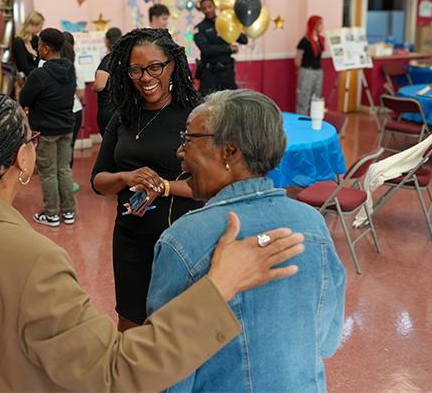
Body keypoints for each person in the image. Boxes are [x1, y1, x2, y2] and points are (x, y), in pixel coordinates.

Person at [0, 91, 306, 393]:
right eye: (32, 139)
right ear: (23, 158)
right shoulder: (32, 260)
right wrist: (219, 287)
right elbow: (114, 371)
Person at [148, 89, 346, 393]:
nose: (180, 152)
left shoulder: (183, 242)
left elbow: (166, 374)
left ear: (229, 152)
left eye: (188, 139)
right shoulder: (313, 225)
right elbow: (327, 340)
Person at [90, 27, 203, 330]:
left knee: (178, 326)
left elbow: (208, 186)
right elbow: (98, 181)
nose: (145, 77)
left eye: (155, 67)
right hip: (131, 238)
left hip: (182, 240)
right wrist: (126, 177)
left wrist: (163, 187)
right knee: (130, 321)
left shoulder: (196, 115)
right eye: (136, 70)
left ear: (172, 65)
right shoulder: (124, 116)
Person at [19, 28, 77, 227]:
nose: (37, 49)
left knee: (49, 172)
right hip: (66, 128)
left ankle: (51, 214)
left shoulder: (39, 75)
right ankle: (68, 212)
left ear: (45, 49)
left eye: (38, 46)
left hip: (46, 131)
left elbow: (24, 99)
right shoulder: (70, 69)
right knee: (64, 170)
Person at [194, 0, 248, 95]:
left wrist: (236, 23)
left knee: (230, 101)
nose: (208, 10)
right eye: (204, 8)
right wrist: (228, 48)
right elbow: (206, 49)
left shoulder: (226, 23)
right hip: (209, 74)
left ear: (215, 6)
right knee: (207, 103)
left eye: (210, 7)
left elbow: (244, 40)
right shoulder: (199, 28)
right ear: (201, 10)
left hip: (227, 72)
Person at [63, 31, 83, 191]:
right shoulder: (75, 67)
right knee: (69, 147)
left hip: (54, 114)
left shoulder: (45, 66)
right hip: (75, 111)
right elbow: (81, 94)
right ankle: (68, 181)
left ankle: (60, 182)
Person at [93, 27, 122, 134]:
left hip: (109, 108)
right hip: (122, 107)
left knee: (109, 141)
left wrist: (94, 87)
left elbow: (99, 85)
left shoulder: (108, 60)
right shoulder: (125, 58)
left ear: (107, 41)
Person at [295, 15, 325, 115]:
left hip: (318, 71)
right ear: (314, 25)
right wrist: (302, 72)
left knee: (316, 98)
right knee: (304, 97)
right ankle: (301, 118)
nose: (322, 26)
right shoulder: (305, 41)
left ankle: (315, 118)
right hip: (307, 71)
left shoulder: (321, 40)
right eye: (320, 24)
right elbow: (298, 58)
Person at [12, 10, 45, 77]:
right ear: (32, 25)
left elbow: (39, 61)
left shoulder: (36, 39)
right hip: (25, 78)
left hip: (36, 76)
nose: (40, 30)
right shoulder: (18, 42)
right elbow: (24, 68)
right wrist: (43, 71)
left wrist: (34, 55)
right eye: (40, 27)